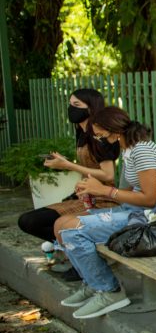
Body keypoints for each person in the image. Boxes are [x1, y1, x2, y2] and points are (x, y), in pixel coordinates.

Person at [55, 106, 156, 319]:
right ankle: (92, 283)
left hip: (151, 216)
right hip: (135, 209)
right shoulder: (129, 149)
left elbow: (150, 198)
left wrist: (105, 190)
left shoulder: (142, 150)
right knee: (60, 224)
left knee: (72, 231)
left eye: (98, 131)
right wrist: (94, 191)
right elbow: (129, 192)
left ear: (112, 128)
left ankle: (110, 291)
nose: (96, 136)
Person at [17, 88, 121, 281]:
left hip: (104, 199)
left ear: (91, 108)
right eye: (70, 104)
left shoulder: (101, 135)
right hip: (85, 196)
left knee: (37, 221)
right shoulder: (81, 133)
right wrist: (65, 163)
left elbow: (107, 174)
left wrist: (67, 165)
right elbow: (86, 167)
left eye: (77, 105)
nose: (71, 109)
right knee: (28, 221)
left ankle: (82, 260)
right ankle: (80, 257)